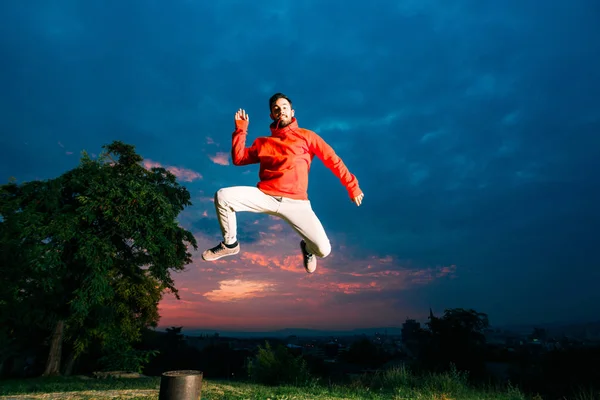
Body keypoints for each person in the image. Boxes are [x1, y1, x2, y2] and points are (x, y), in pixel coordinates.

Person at [201, 93, 364, 273]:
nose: (281, 111)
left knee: (323, 251)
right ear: (272, 115)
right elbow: (239, 159)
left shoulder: (307, 136)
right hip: (266, 195)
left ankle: (308, 248)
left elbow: (333, 160)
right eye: (276, 109)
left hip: (297, 203)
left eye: (284, 107)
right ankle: (230, 244)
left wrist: (352, 186)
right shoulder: (264, 143)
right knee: (223, 196)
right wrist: (241, 129)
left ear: (292, 111)